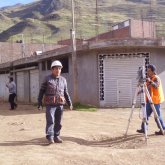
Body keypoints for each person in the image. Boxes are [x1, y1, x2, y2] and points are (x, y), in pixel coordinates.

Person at [38, 60, 73, 144]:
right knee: (50, 120)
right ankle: (50, 136)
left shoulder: (63, 80)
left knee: (59, 122)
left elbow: (66, 92)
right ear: (52, 69)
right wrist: (39, 103)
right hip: (50, 105)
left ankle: (56, 136)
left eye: (60, 68)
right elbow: (41, 91)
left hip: (60, 105)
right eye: (56, 68)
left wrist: (70, 103)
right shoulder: (47, 79)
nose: (58, 70)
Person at [137, 64, 165, 135]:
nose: (147, 73)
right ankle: (144, 129)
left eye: (149, 71)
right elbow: (147, 88)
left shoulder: (156, 78)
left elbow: (156, 86)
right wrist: (140, 91)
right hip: (149, 101)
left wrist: (150, 81)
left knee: (157, 117)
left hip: (156, 101)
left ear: (153, 71)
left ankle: (163, 129)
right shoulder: (149, 79)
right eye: (147, 71)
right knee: (145, 115)